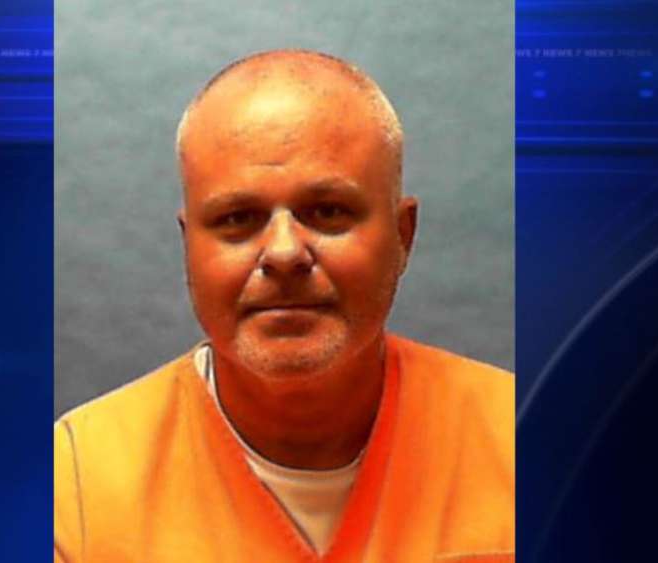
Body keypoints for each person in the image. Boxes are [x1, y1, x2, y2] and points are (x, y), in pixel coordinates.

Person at [54, 49, 514, 563]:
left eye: (328, 211)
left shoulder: (529, 439)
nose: (284, 252)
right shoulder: (76, 484)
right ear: (189, 246)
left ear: (402, 236)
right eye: (237, 218)